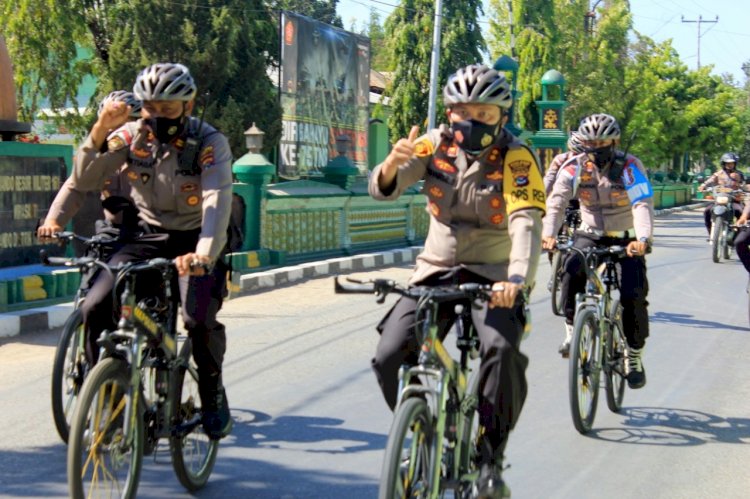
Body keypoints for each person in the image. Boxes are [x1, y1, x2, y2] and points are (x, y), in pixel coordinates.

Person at [368, 63, 545, 498]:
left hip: (496, 273)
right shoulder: (433, 145)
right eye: (463, 111)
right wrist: (391, 165)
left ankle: (489, 457)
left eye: (484, 114)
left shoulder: (517, 157)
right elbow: (386, 187)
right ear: (449, 113)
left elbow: (525, 221)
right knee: (390, 353)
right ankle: (421, 425)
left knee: (501, 353)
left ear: (501, 117)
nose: (472, 121)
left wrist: (517, 279)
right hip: (435, 268)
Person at [68, 62, 234, 439]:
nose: (157, 117)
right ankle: (112, 401)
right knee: (95, 307)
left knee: (196, 321)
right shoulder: (129, 137)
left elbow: (216, 200)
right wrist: (100, 129)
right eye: (150, 108)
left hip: (196, 240)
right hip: (145, 238)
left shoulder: (209, 143)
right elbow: (84, 179)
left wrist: (204, 254)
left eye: (168, 109)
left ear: (187, 107)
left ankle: (213, 395)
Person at [541, 113, 653, 389]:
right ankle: (572, 328)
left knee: (633, 295)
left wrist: (643, 238)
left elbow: (641, 203)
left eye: (602, 141)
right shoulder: (573, 167)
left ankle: (634, 355)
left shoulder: (629, 167)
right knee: (568, 270)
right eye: (591, 141)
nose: (596, 147)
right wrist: (548, 234)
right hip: (589, 233)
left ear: (614, 141)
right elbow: (556, 202)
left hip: (626, 238)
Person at [37, 90, 143, 243]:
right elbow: (75, 186)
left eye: (124, 124)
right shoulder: (101, 157)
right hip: (113, 231)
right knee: (95, 264)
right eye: (110, 124)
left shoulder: (157, 153)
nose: (117, 132)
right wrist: (53, 222)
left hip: (155, 232)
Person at [698, 152, 746, 238]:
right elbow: (710, 180)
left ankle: (738, 235)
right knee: (707, 211)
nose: (729, 165)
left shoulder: (739, 174)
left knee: (740, 211)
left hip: (734, 199)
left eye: (731, 163)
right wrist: (703, 185)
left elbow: (744, 185)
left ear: (735, 164)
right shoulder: (718, 173)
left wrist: (743, 189)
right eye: (727, 163)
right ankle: (711, 233)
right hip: (720, 199)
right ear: (723, 164)